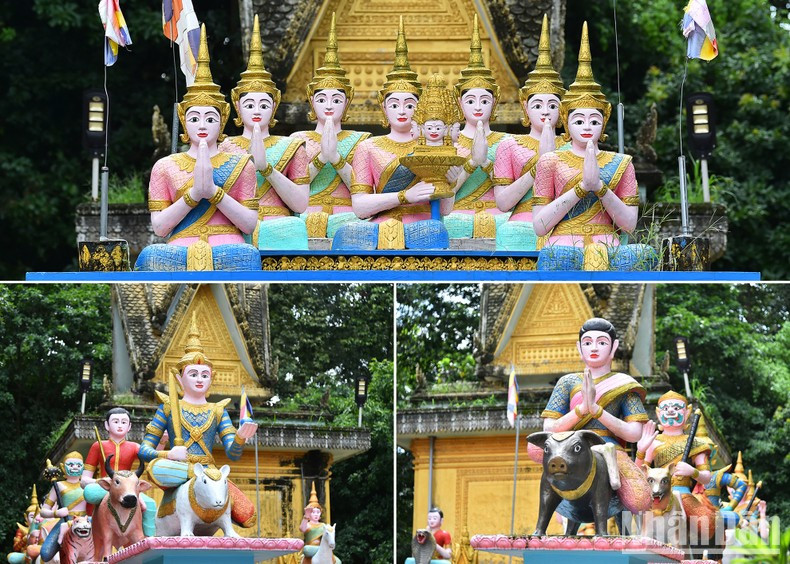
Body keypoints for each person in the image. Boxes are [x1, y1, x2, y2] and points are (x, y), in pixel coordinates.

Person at [531, 22, 656, 271]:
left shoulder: (622, 163)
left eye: (594, 120)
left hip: (609, 243)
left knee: (646, 253)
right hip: (564, 244)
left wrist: (599, 187)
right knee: (556, 258)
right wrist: (580, 188)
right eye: (578, 120)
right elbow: (539, 226)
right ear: (566, 122)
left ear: (605, 121)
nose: (587, 126)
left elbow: (629, 225)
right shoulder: (551, 161)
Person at [136, 25, 260, 271]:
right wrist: (194, 195)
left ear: (222, 121)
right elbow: (160, 228)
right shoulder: (166, 166)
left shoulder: (241, 163)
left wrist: (213, 192)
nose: (202, 125)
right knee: (150, 255)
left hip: (230, 247)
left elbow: (249, 224)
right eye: (194, 119)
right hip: (179, 246)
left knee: (247, 255)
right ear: (183, 121)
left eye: (210, 119)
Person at [529, 317, 651, 532]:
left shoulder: (624, 385)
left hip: (609, 447)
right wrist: (581, 411)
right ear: (579, 347)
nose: (594, 348)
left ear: (613, 347)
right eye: (587, 342)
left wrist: (598, 412)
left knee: (639, 499)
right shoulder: (566, 382)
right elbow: (549, 428)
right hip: (569, 446)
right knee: (535, 447)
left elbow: (634, 433)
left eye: (602, 342)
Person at [138, 315, 258, 530]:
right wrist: (168, 454)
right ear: (180, 379)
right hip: (178, 469)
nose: (200, 379)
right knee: (155, 468)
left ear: (212, 378)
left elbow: (233, 454)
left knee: (248, 514)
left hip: (209, 473)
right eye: (193, 374)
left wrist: (240, 437)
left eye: (205, 374)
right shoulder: (168, 407)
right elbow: (144, 450)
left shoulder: (217, 410)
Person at [342, 17, 450, 250]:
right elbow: (360, 207)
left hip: (425, 226)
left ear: (420, 108)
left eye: (410, 105)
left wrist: (450, 177)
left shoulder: (433, 145)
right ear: (383, 108)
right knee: (347, 233)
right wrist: (403, 196)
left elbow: (446, 209)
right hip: (381, 224)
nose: (402, 111)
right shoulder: (368, 147)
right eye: (394, 105)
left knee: (436, 231)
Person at [220, 15, 310, 250]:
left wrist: (266, 169)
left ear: (275, 105)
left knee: (296, 227)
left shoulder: (292, 146)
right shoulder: (225, 147)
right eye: (249, 105)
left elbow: (300, 204)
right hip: (236, 222)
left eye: (264, 104)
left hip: (279, 223)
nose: (257, 110)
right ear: (237, 106)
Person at [290, 12, 371, 239]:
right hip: (306, 212)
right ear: (311, 100)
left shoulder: (362, 141)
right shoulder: (297, 139)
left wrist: (336, 158)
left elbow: (365, 189)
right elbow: (291, 190)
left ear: (347, 102)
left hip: (348, 214)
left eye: (336, 100)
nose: (329, 106)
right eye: (322, 99)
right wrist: (320, 159)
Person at [493, 14, 565, 250]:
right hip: (521, 221)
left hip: (565, 222)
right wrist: (538, 168)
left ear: (564, 110)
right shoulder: (510, 145)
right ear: (525, 107)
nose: (545, 112)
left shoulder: (572, 144)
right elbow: (503, 202)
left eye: (553, 105)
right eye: (537, 105)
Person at [444, 15, 510, 240]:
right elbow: (443, 196)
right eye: (470, 100)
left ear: (495, 100)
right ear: (459, 101)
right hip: (456, 218)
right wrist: (471, 164)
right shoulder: (448, 143)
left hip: (502, 218)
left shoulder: (509, 143)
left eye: (485, 100)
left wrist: (488, 164)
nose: (478, 106)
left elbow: (515, 198)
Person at [80, 407, 156, 536]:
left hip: (128, 489)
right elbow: (84, 481)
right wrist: (103, 481)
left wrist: (162, 442)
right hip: (105, 488)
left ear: (129, 426)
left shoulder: (134, 447)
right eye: (115, 421)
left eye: (124, 422)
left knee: (150, 505)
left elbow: (153, 460)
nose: (120, 425)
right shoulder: (98, 446)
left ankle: (149, 539)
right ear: (107, 425)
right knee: (89, 493)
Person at [299, 483, 340, 563]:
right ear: (310, 513)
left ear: (320, 514)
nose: (316, 514)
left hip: (323, 548)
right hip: (311, 548)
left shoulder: (324, 526)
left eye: (318, 512)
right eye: (313, 512)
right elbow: (302, 529)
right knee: (307, 550)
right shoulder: (308, 524)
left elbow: (330, 536)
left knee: (338, 562)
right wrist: (306, 516)